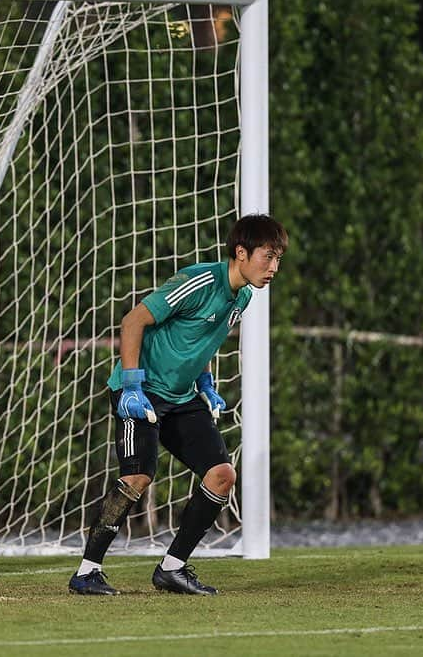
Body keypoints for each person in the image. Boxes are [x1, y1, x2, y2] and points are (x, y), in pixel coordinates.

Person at [68, 214, 288, 595]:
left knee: (222, 475)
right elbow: (133, 321)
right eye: (267, 257)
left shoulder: (245, 296)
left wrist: (203, 378)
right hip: (141, 389)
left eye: (278, 259)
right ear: (241, 253)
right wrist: (133, 385)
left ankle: (172, 569)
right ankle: (87, 572)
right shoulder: (200, 280)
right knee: (138, 476)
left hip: (182, 397)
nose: (273, 268)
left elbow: (201, 336)